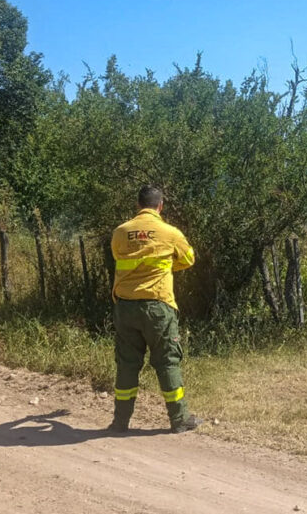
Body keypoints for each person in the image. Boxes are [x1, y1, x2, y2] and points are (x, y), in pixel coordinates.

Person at [109, 186, 203, 434]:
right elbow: (189, 258)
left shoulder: (120, 233)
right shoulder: (169, 233)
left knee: (127, 364)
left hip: (126, 306)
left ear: (138, 205)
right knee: (167, 362)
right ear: (160, 206)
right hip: (158, 305)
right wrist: (165, 266)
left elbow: (119, 256)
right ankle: (179, 419)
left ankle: (120, 422)